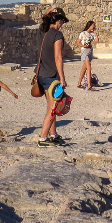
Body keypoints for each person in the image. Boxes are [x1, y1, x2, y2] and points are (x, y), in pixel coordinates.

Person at [36, 8, 69, 147]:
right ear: (58, 20)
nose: (62, 23)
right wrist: (62, 78)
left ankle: (53, 134)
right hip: (52, 77)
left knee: (52, 106)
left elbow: (43, 20)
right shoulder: (57, 34)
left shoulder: (43, 32)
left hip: (41, 75)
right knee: (52, 108)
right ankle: (42, 139)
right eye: (62, 20)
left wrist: (48, 11)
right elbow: (58, 57)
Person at [77, 21, 97, 90]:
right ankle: (89, 85)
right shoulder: (83, 33)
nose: (94, 26)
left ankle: (79, 83)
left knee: (84, 68)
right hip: (84, 51)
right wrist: (83, 45)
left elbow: (97, 41)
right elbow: (78, 42)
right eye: (93, 25)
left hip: (90, 50)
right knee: (89, 67)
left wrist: (95, 33)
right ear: (89, 25)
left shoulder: (92, 34)